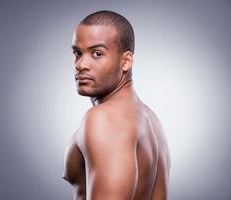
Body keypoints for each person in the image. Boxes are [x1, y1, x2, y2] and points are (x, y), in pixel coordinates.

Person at [62, 10, 170, 200]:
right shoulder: (151, 120)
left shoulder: (104, 118)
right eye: (77, 53)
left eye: (97, 53)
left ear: (126, 61)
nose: (81, 64)